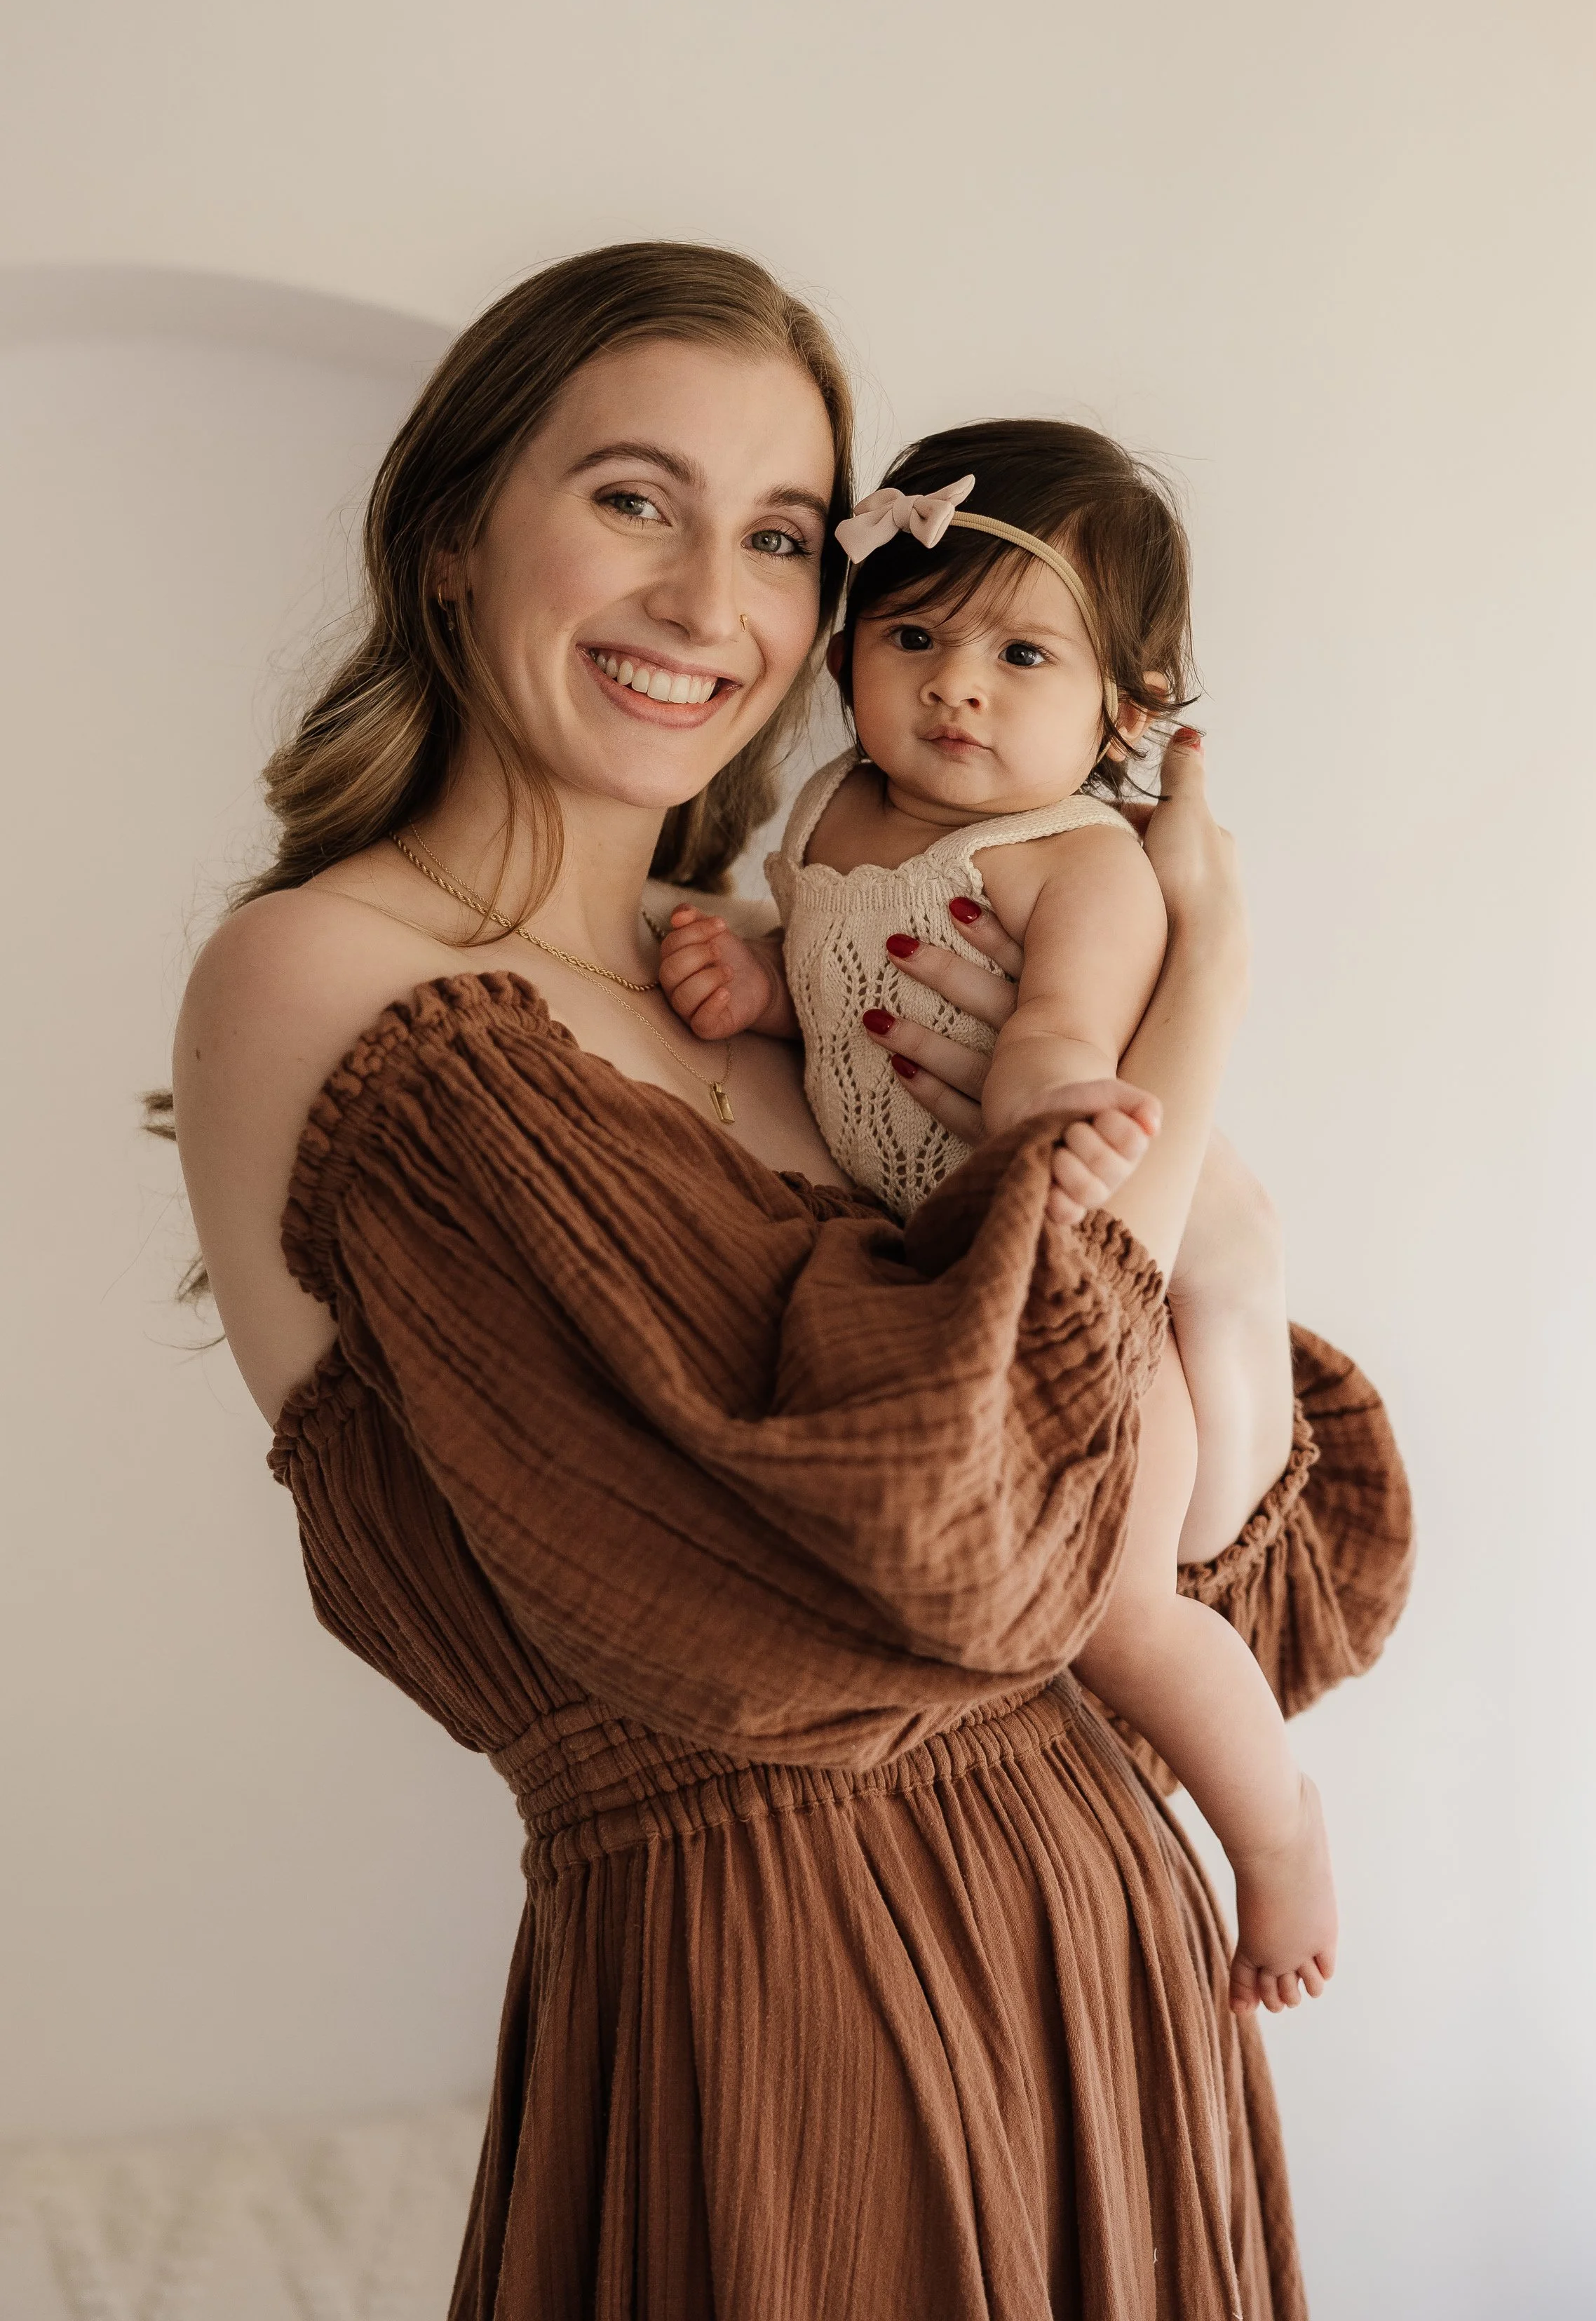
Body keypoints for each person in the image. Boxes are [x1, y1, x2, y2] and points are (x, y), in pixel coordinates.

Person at [168, 239, 1412, 2320]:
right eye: (634, 499)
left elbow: (1198, 1544)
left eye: (775, 536)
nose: (709, 604)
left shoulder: (785, 989)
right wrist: (1206, 986)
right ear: (457, 535)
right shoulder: (341, 983)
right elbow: (960, 1545)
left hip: (1106, 1962)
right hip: (789, 1994)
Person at [656, 418, 1332, 2014]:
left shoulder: (1076, 862)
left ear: (1128, 711)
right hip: (953, 1278)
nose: (956, 685)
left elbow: (1050, 1044)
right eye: (914, 637)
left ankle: (1282, 1834)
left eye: (1022, 652)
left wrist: (1046, 1112)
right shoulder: (828, 805)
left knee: (1124, 1607)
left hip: (1098, 1270)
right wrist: (756, 974)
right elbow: (839, 985)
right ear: (845, 656)